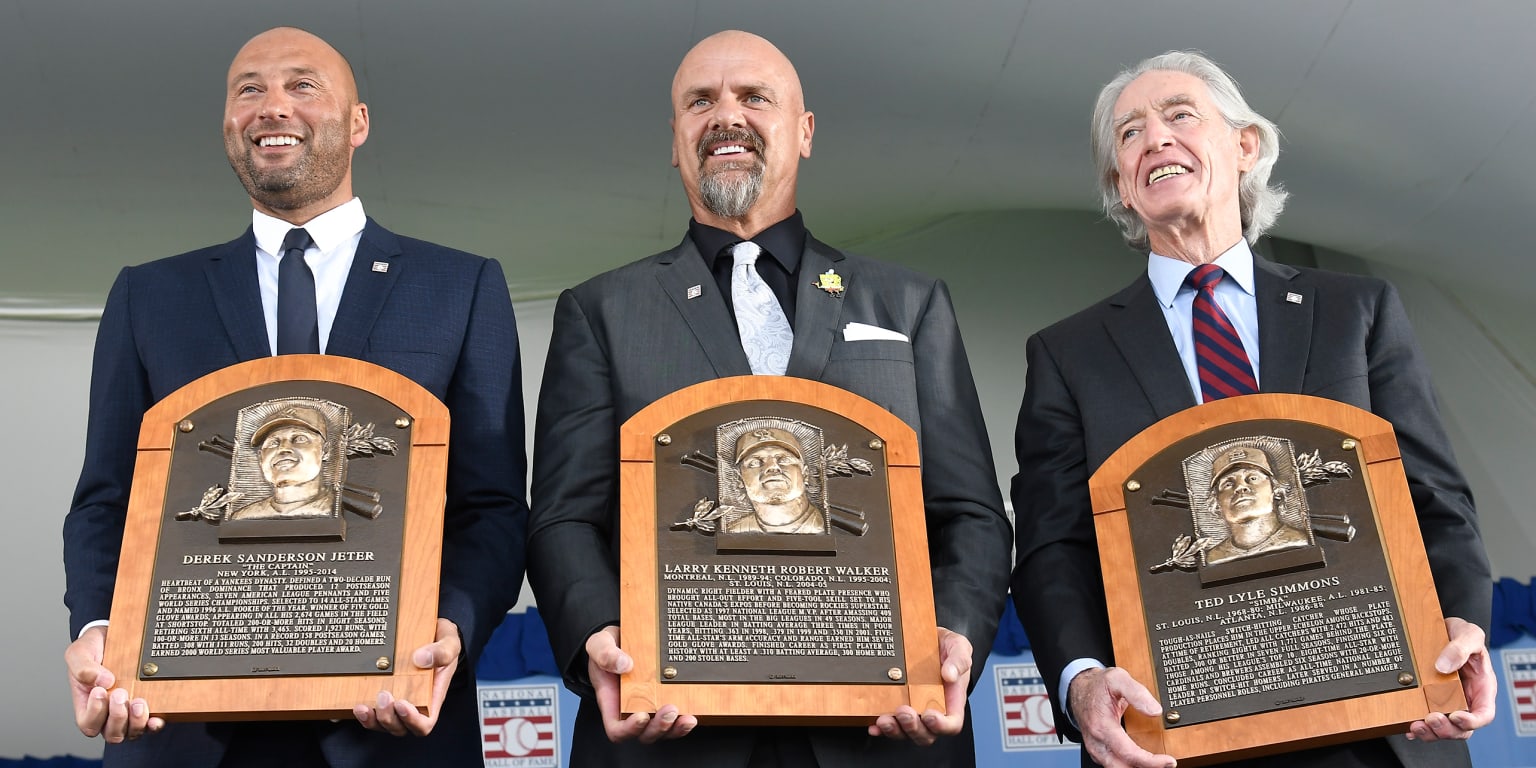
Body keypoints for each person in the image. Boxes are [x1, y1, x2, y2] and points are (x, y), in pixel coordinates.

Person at [528, 29, 1011, 767]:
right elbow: (564, 513)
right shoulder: (600, 311)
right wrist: (600, 634)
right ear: (675, 139)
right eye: (700, 102)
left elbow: (970, 511)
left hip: (883, 728)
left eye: (755, 97)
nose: (726, 116)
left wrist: (951, 635)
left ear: (804, 131)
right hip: (675, 731)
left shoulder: (908, 303)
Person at [1009, 50, 1495, 768]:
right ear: (1121, 182)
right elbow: (1053, 545)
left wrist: (1460, 623)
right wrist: (1081, 682)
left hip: (1384, 728)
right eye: (1130, 134)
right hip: (1177, 735)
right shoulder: (1067, 354)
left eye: (1179, 116)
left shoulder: (1355, 312)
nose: (1155, 140)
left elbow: (1435, 496)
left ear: (1245, 145)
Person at [61, 26, 527, 767]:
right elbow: (104, 502)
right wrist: (95, 630)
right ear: (227, 125)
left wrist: (452, 626)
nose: (272, 106)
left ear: (359, 122)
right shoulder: (149, 295)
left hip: (391, 726)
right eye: (249, 89)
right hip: (182, 728)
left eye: (301, 85)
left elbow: (492, 506)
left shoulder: (459, 288)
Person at [1202, 445, 1308, 566]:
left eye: (1253, 478)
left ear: (1276, 490)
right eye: (1228, 484)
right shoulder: (1213, 558)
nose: (1240, 487)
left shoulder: (1300, 541)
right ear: (1216, 503)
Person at [230, 404, 336, 521]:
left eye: (300, 439)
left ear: (325, 451)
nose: (283, 449)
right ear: (260, 458)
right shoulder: (242, 517)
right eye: (273, 443)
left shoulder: (337, 508)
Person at [725, 427, 825, 535]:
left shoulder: (827, 525)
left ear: (805, 474)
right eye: (755, 462)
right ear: (739, 479)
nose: (772, 467)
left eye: (784, 459)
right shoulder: (734, 531)